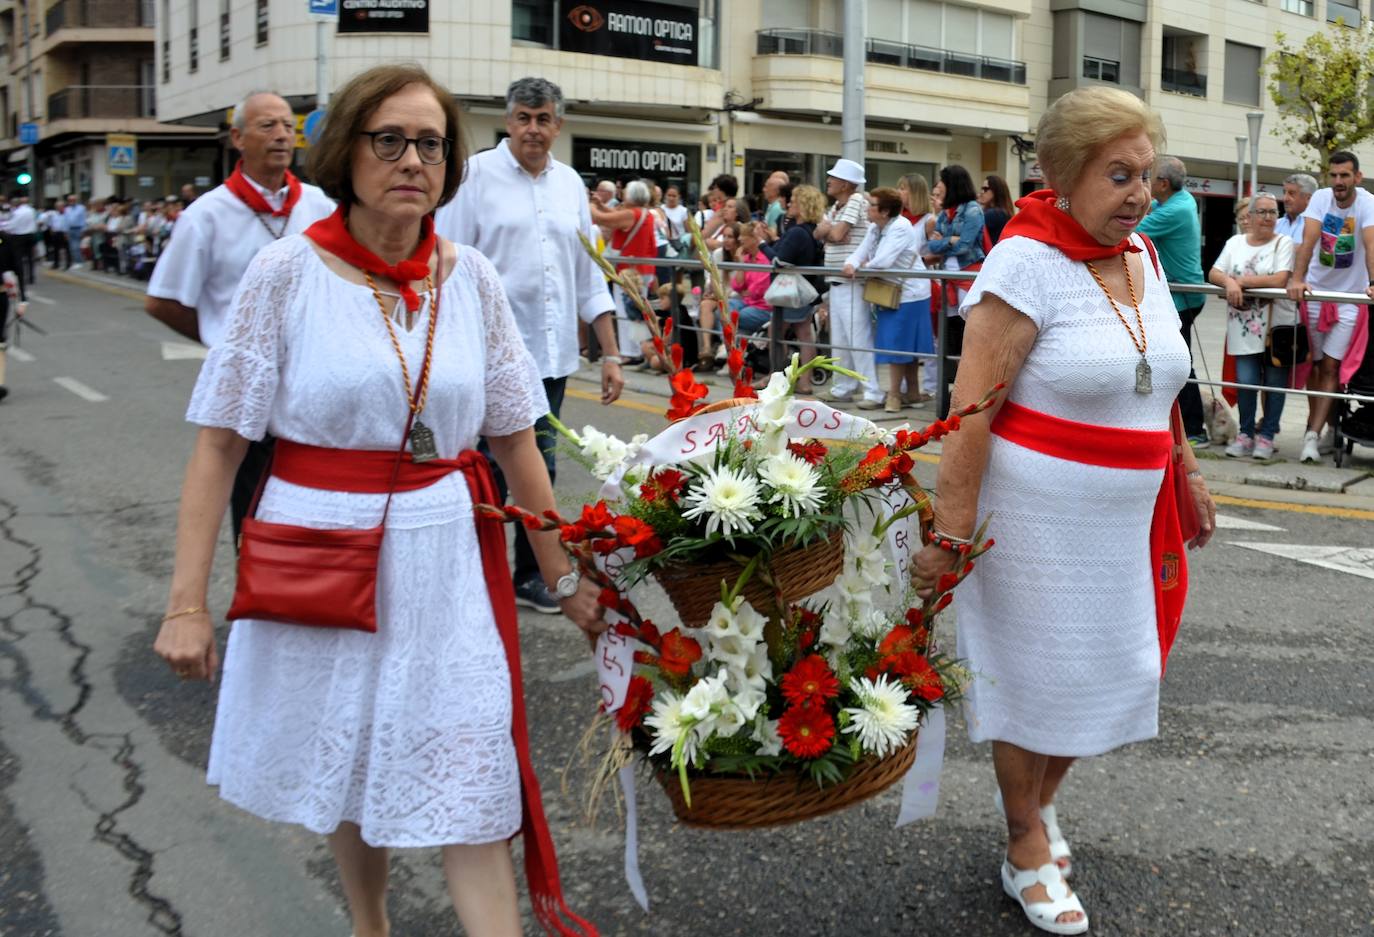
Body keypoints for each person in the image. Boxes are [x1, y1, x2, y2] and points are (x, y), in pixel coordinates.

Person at [153, 63, 604, 937]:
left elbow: (515, 436)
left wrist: (562, 569)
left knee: (472, 762)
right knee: (356, 758)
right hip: (324, 544)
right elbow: (218, 444)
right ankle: (371, 922)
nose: (412, 160)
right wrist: (185, 605)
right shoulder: (286, 273)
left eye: (430, 143)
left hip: (447, 553)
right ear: (345, 153)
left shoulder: (470, 277)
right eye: (388, 139)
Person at [912, 86, 1216, 936]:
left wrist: (1184, 467)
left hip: (1126, 517)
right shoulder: (1023, 262)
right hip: (1034, 517)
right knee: (1035, 678)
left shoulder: (1144, 259)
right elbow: (971, 410)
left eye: (1145, 177)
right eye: (1118, 175)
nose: (1137, 196)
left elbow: (1159, 381)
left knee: (1113, 668)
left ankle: (1038, 812)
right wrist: (948, 533)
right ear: (1060, 172)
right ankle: (1023, 844)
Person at [437, 76, 624, 614]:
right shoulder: (473, 177)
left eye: (544, 120)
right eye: (523, 118)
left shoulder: (569, 185)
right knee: (482, 469)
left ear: (558, 125)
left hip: (549, 357)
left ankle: (530, 573)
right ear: (509, 120)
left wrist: (610, 353)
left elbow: (589, 275)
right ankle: (475, 572)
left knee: (540, 467)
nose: (533, 129)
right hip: (484, 356)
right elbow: (447, 266)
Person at [145, 91, 335, 542]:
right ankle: (255, 605)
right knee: (251, 505)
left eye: (289, 126)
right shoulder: (205, 216)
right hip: (246, 383)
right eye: (268, 125)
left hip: (314, 379)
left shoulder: (320, 206)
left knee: (314, 497)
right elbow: (163, 299)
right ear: (238, 137)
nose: (282, 135)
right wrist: (223, 339)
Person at [1285, 150, 1374, 463]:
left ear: (1357, 177)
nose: (1338, 182)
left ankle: (1312, 436)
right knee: (1314, 365)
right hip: (1315, 293)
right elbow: (1308, 241)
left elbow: (1371, 244)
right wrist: (1297, 279)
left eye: (1344, 176)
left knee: (1332, 368)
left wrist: (1373, 282)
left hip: (1349, 300)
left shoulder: (1367, 202)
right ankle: (1318, 426)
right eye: (1334, 175)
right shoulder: (1321, 198)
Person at [1207, 191, 1295, 460]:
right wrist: (1230, 282)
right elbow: (1213, 272)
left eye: (1273, 212)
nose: (1268, 217)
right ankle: (1245, 433)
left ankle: (1267, 436)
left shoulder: (1284, 243)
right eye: (1263, 212)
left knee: (1274, 383)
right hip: (1241, 325)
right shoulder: (1236, 242)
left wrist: (1239, 282)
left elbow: (1280, 279)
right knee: (1245, 382)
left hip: (1274, 326)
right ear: (1251, 216)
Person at [1137, 156, 1209, 448]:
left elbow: (1133, 226)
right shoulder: (1181, 200)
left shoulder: (1173, 211)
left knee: (1180, 365)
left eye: (1146, 179)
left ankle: (1194, 430)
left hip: (1184, 297)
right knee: (1176, 362)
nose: (1144, 185)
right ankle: (1184, 426)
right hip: (1184, 294)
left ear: (1163, 184)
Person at [843, 186, 931, 413]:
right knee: (902, 344)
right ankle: (911, 392)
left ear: (884, 211)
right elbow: (861, 252)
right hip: (893, 291)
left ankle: (894, 395)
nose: (867, 208)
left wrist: (862, 267)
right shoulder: (875, 227)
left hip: (910, 293)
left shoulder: (900, 227)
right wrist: (851, 263)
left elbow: (884, 260)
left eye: (872, 204)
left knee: (900, 346)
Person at [816, 157, 880, 409]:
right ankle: (844, 386)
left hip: (852, 281)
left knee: (858, 337)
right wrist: (828, 232)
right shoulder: (836, 207)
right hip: (838, 280)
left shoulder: (855, 200)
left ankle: (872, 390)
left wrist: (828, 232)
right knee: (841, 339)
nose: (829, 181)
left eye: (833, 177)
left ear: (845, 183)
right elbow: (821, 234)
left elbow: (835, 234)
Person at [926, 165, 986, 404]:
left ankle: (970, 386)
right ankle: (955, 386)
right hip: (948, 279)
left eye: (943, 184)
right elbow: (932, 245)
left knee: (969, 332)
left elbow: (966, 245)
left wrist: (945, 240)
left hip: (967, 277)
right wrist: (949, 240)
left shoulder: (973, 210)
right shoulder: (947, 212)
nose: (939, 189)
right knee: (950, 334)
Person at [759, 183, 825, 393]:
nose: (789, 204)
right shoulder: (810, 230)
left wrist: (761, 244)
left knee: (776, 331)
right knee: (805, 334)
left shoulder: (797, 232)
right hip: (805, 288)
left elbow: (780, 260)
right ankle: (803, 381)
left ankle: (776, 377)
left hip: (791, 291)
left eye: (794, 201)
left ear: (803, 205)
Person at [590, 177, 657, 367]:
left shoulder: (631, 214)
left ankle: (630, 351)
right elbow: (611, 215)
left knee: (626, 310)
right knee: (635, 309)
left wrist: (591, 206)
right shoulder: (644, 213)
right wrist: (601, 205)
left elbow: (602, 219)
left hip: (629, 271)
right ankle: (637, 349)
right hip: (643, 269)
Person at [0, 231, 29, 403]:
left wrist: (22, 300)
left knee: (0, 341)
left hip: (0, 296)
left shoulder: (5, 240)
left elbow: (18, 268)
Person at [1276, 172, 1317, 243]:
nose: (1285, 199)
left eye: (1291, 193)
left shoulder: (1318, 227)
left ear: (1308, 198)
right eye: (1284, 193)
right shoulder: (1275, 224)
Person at [6, 194, 36, 284]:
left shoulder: (16, 213)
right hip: (30, 234)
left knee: (18, 258)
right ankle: (31, 277)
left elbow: (12, 226)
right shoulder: (31, 210)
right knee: (30, 257)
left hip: (19, 236)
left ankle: (21, 276)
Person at [978, 174, 1016, 245]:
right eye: (982, 189)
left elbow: (971, 232)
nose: (982, 192)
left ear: (996, 191)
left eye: (985, 189)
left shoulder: (994, 214)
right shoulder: (1004, 211)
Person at [762, 170, 791, 236]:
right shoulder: (773, 206)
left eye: (767, 186)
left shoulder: (777, 208)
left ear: (777, 190)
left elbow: (773, 233)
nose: (764, 190)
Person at [63, 194, 87, 270]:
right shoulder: (67, 209)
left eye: (73, 200)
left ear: (76, 200)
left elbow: (83, 219)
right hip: (70, 229)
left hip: (78, 229)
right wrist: (65, 231)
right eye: (70, 200)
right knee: (72, 247)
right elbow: (66, 221)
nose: (71, 201)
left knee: (76, 247)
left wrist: (83, 230)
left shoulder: (81, 208)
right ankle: (77, 261)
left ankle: (79, 262)